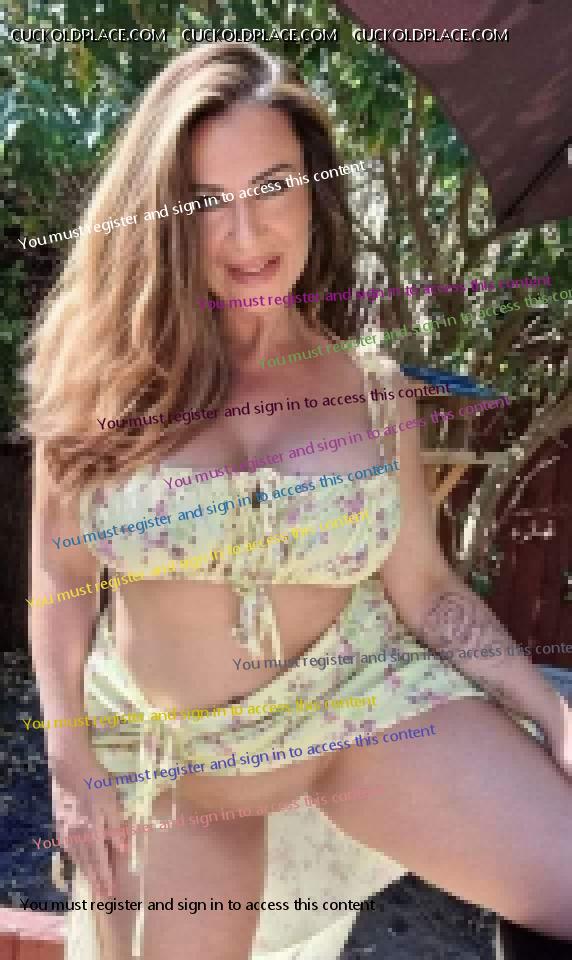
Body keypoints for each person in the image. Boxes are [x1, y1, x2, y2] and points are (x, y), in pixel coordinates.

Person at [26, 42, 571, 960]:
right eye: (206, 201)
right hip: (172, 759)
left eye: (272, 187)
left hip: (354, 703)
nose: (245, 236)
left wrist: (555, 715)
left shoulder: (375, 393)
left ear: (314, 190)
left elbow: (426, 588)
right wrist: (69, 761)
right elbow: (62, 577)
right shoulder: (98, 381)